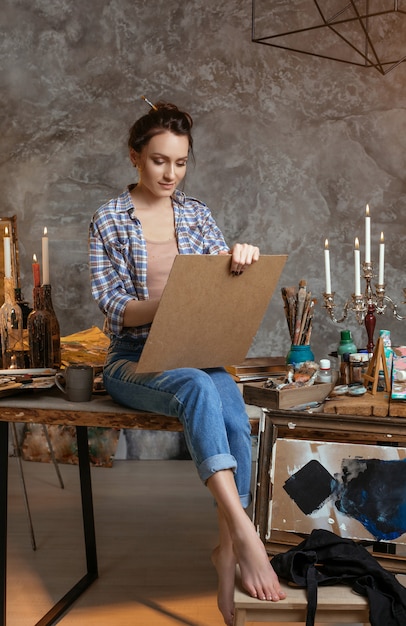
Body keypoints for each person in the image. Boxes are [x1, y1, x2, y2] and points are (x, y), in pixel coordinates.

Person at [89, 99, 286, 626]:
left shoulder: (197, 214)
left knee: (232, 407)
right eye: (159, 161)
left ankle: (226, 558)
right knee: (200, 388)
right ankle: (246, 533)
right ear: (135, 158)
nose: (170, 173)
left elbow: (219, 289)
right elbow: (114, 310)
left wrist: (239, 260)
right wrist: (176, 295)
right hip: (133, 360)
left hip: (195, 353)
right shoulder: (110, 218)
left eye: (180, 162)